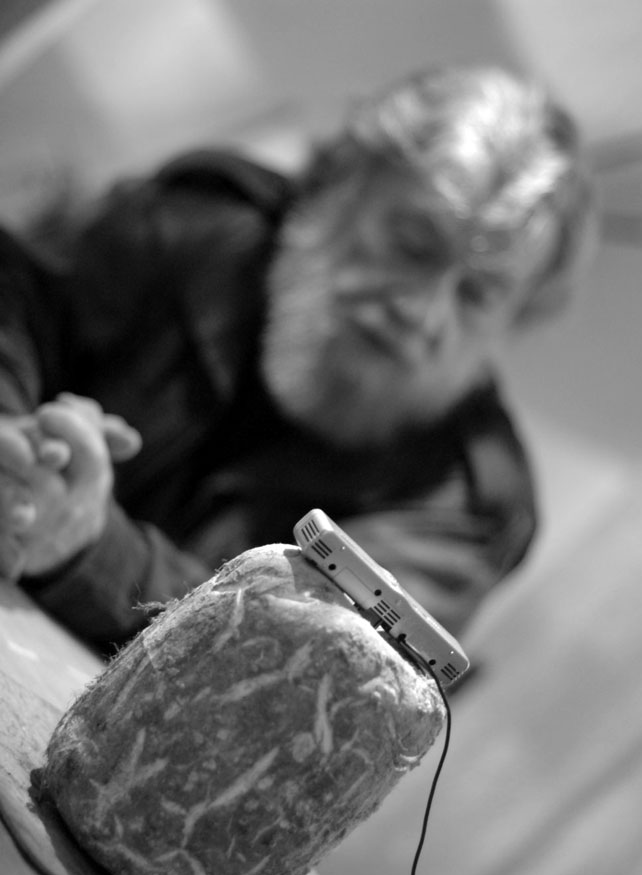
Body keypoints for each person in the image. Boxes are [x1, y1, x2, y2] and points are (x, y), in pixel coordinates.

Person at [0, 65, 596, 655]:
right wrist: (16, 439)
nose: (420, 310)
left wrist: (89, 546)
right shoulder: (203, 224)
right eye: (413, 246)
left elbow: (296, 652)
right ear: (337, 184)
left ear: (514, 324)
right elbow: (20, 304)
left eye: (477, 295)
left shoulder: (465, 503)